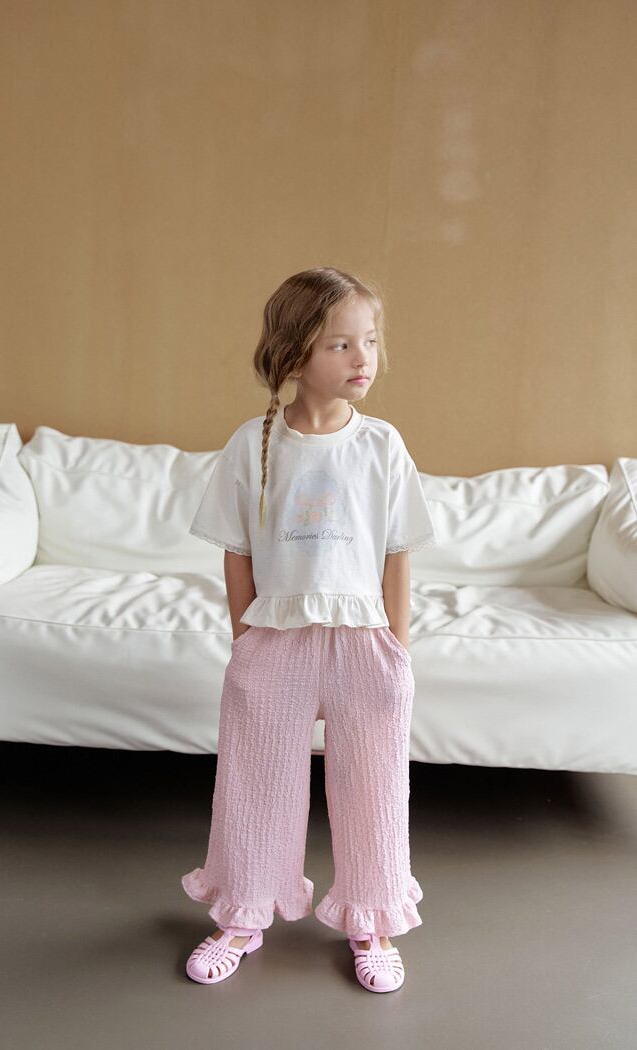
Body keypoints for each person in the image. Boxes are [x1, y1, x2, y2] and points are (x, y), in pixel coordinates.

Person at [181, 267, 438, 992]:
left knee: (374, 789)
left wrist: (397, 649)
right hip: (276, 641)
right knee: (255, 785)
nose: (364, 359)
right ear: (295, 354)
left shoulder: (382, 445)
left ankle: (372, 921)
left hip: (365, 643)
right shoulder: (252, 445)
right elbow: (236, 553)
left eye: (371, 341)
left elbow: (396, 555)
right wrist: (246, 643)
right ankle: (242, 914)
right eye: (341, 345)